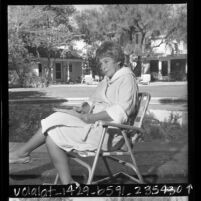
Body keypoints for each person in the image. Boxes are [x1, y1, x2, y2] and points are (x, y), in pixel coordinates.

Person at [9, 41, 139, 184]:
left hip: (110, 134)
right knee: (52, 133)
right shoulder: (107, 80)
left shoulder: (126, 79)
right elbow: (92, 101)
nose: (103, 66)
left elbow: (120, 113)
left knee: (54, 126)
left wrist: (88, 118)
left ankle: (23, 153)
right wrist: (82, 108)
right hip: (96, 128)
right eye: (101, 63)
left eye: (107, 62)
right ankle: (69, 185)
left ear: (118, 61)